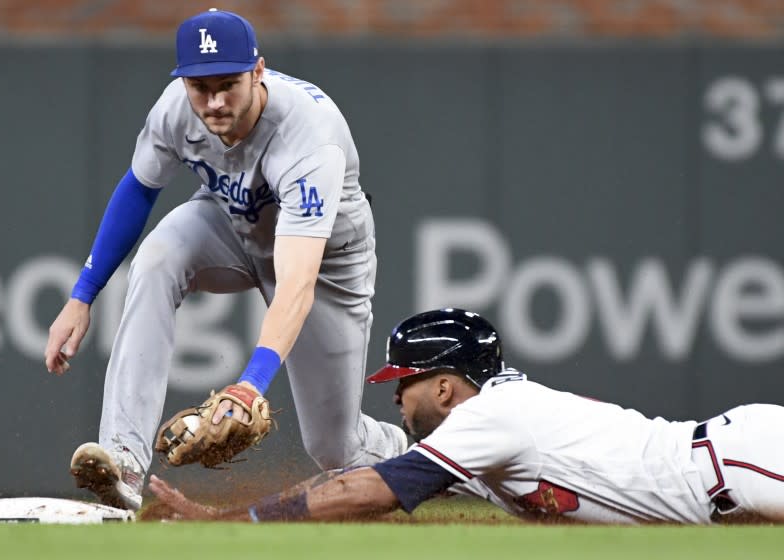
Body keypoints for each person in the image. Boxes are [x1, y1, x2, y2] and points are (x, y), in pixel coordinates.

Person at [43, 9, 407, 511]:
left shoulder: (309, 139)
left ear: (259, 71)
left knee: (334, 447)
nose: (212, 101)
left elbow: (296, 281)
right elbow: (138, 188)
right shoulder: (177, 107)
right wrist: (82, 295)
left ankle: (409, 453)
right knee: (157, 259)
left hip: (325, 265)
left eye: (227, 84)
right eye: (199, 87)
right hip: (233, 223)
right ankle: (124, 458)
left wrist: (249, 386)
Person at [149, 308, 784, 524]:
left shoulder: (492, 418)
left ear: (448, 388)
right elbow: (336, 482)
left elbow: (370, 491)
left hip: (742, 463)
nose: (397, 399)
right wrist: (221, 517)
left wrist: (241, 519)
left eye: (406, 384)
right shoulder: (481, 432)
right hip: (729, 486)